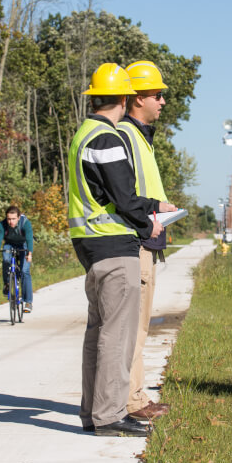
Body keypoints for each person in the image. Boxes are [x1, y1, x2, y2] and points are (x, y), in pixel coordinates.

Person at [68, 63, 176, 437]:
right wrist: (149, 223)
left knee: (98, 331)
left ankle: (92, 411)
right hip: (115, 243)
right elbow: (123, 198)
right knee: (117, 333)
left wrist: (148, 205)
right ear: (127, 97)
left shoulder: (85, 132)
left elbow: (110, 193)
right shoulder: (107, 138)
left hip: (91, 243)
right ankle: (110, 414)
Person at [117, 61, 171, 421]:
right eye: (157, 95)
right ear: (137, 98)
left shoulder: (141, 137)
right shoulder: (126, 136)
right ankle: (133, 401)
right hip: (136, 242)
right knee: (133, 328)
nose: (162, 101)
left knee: (139, 326)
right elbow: (126, 194)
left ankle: (135, 395)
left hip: (147, 241)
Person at [0, 206, 34, 312]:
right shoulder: (2, 225)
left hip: (23, 245)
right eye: (9, 219)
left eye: (13, 219)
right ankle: (7, 283)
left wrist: (29, 253)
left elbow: (29, 238)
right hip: (9, 244)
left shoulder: (25, 223)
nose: (11, 222)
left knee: (25, 271)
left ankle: (28, 302)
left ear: (19, 217)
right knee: (6, 259)